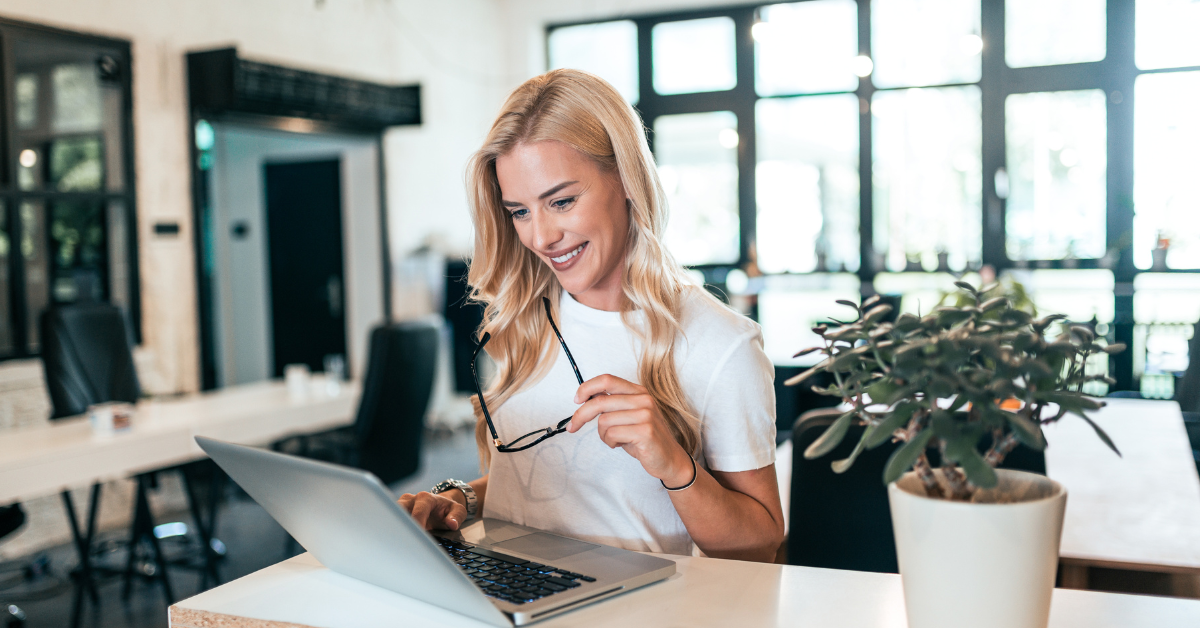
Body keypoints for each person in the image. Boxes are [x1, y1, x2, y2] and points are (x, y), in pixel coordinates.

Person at [399, 69, 783, 562]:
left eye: (561, 201)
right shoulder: (527, 318)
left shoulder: (720, 344)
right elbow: (545, 483)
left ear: (625, 178)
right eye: (519, 211)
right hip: (512, 592)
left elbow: (760, 541)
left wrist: (672, 462)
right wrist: (461, 499)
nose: (540, 237)